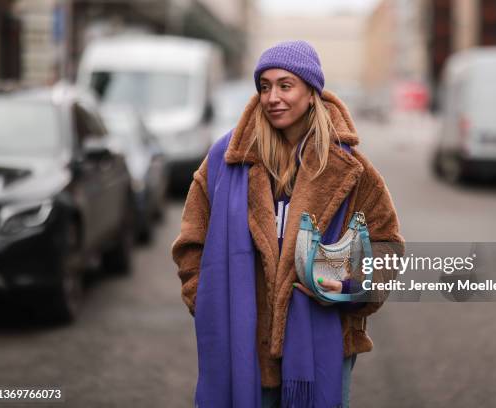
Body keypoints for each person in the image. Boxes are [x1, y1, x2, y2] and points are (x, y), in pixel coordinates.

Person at [172, 40, 404, 408]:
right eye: (264, 87)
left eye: (285, 85)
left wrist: (349, 285)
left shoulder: (350, 169)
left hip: (323, 340)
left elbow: (387, 246)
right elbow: (191, 242)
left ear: (311, 93)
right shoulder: (226, 160)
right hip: (242, 340)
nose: (272, 97)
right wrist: (208, 301)